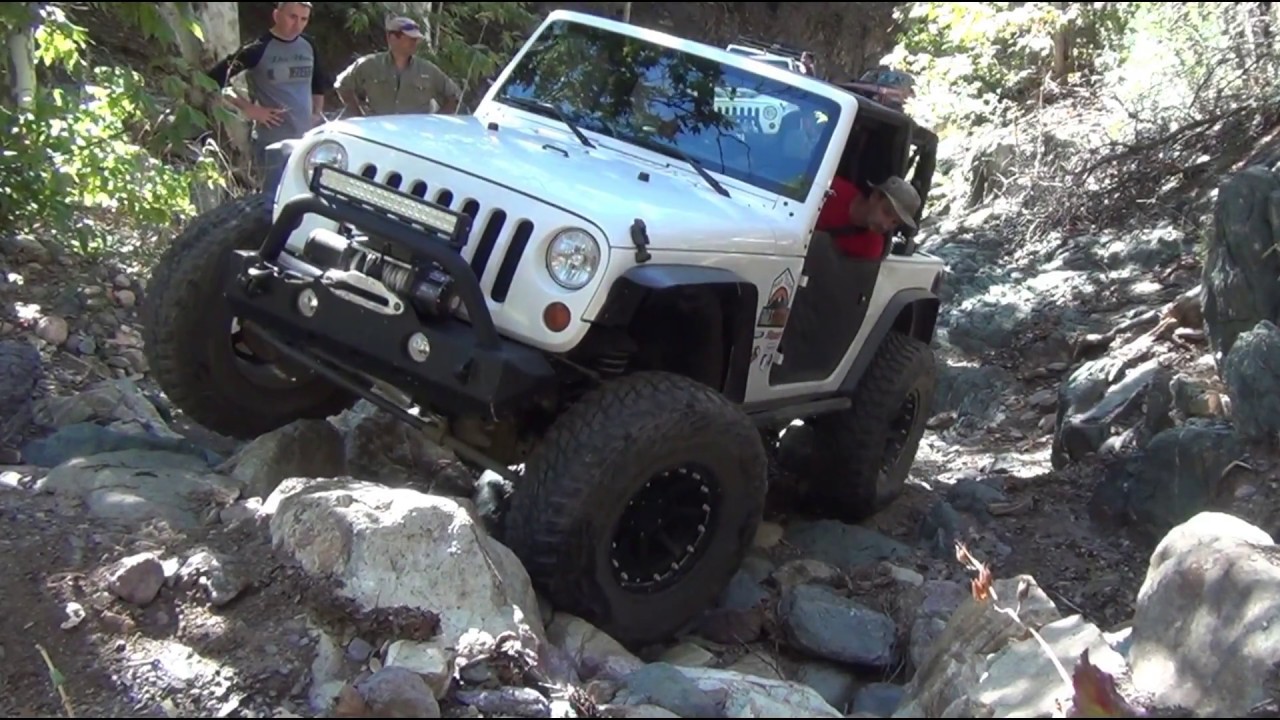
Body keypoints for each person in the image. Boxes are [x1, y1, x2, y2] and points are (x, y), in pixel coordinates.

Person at [206, 1, 332, 184]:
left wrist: (317, 113)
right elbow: (214, 79)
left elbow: (317, 83)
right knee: (272, 197)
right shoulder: (258, 48)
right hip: (272, 143)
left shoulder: (308, 45)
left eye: (303, 19)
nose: (297, 25)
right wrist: (250, 109)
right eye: (292, 17)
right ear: (276, 15)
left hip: (306, 141)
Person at [334, 16, 463, 117]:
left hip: (416, 134)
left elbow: (453, 96)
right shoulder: (369, 65)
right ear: (391, 37)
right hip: (377, 133)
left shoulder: (428, 70)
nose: (414, 42)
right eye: (410, 38)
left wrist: (436, 123)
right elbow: (342, 85)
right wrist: (358, 115)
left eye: (416, 39)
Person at [815, 175, 920, 259]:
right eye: (886, 212)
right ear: (874, 196)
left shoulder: (872, 247)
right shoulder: (834, 188)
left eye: (894, 222)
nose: (885, 225)